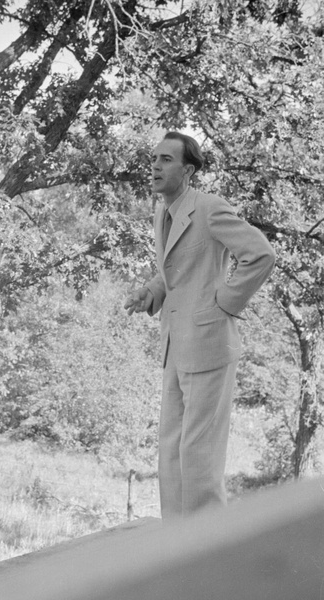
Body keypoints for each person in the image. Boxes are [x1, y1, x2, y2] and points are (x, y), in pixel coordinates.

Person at [125, 131, 276, 518]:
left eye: (166, 160)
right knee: (172, 449)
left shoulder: (209, 208)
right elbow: (177, 271)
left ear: (188, 170)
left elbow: (259, 255)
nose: (156, 166)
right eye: (154, 159)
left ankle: (211, 555)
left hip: (209, 344)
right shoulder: (163, 211)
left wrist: (224, 302)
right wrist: (151, 292)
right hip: (175, 346)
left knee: (199, 455)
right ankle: (180, 550)